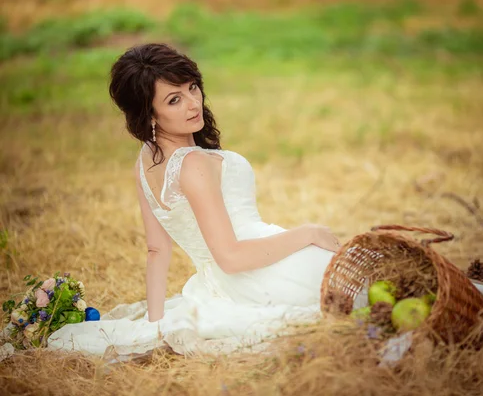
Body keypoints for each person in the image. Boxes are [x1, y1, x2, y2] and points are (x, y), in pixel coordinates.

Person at [46, 43, 341, 357]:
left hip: (230, 278)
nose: (192, 104)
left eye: (193, 88)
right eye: (174, 100)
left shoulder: (147, 160)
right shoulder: (192, 164)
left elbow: (156, 250)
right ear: (149, 114)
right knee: (357, 292)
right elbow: (230, 257)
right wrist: (307, 233)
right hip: (257, 275)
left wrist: (154, 322)